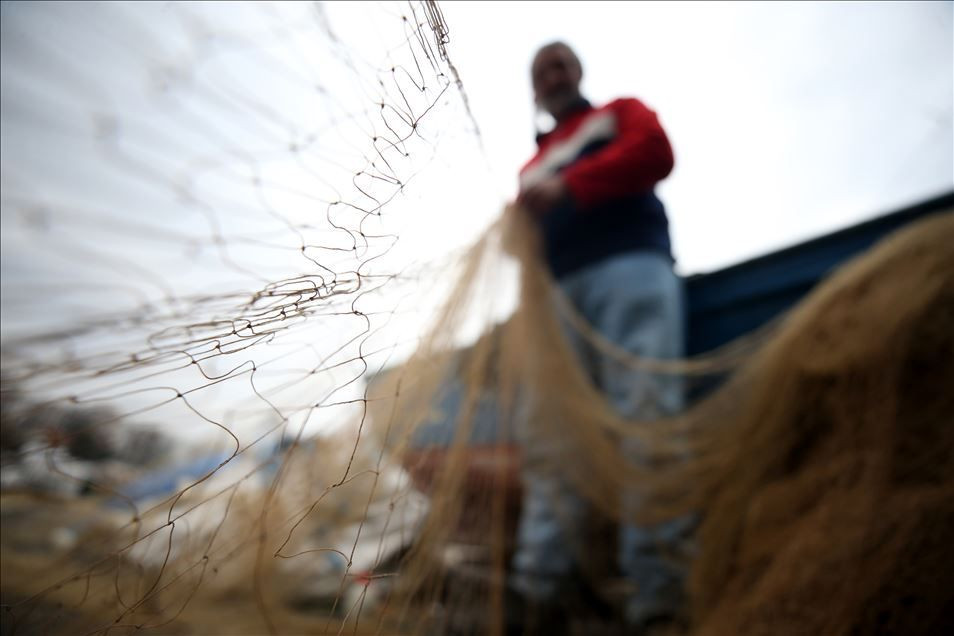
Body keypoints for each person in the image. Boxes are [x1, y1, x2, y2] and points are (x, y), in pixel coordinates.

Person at [509, 41, 690, 631]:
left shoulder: (619, 113)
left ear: (578, 74)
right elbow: (520, 247)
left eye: (562, 65)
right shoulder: (528, 167)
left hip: (628, 270)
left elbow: (656, 153)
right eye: (543, 72)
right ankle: (540, 588)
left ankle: (658, 592)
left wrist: (573, 185)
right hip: (556, 298)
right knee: (552, 439)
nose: (554, 76)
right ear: (534, 90)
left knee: (645, 414)